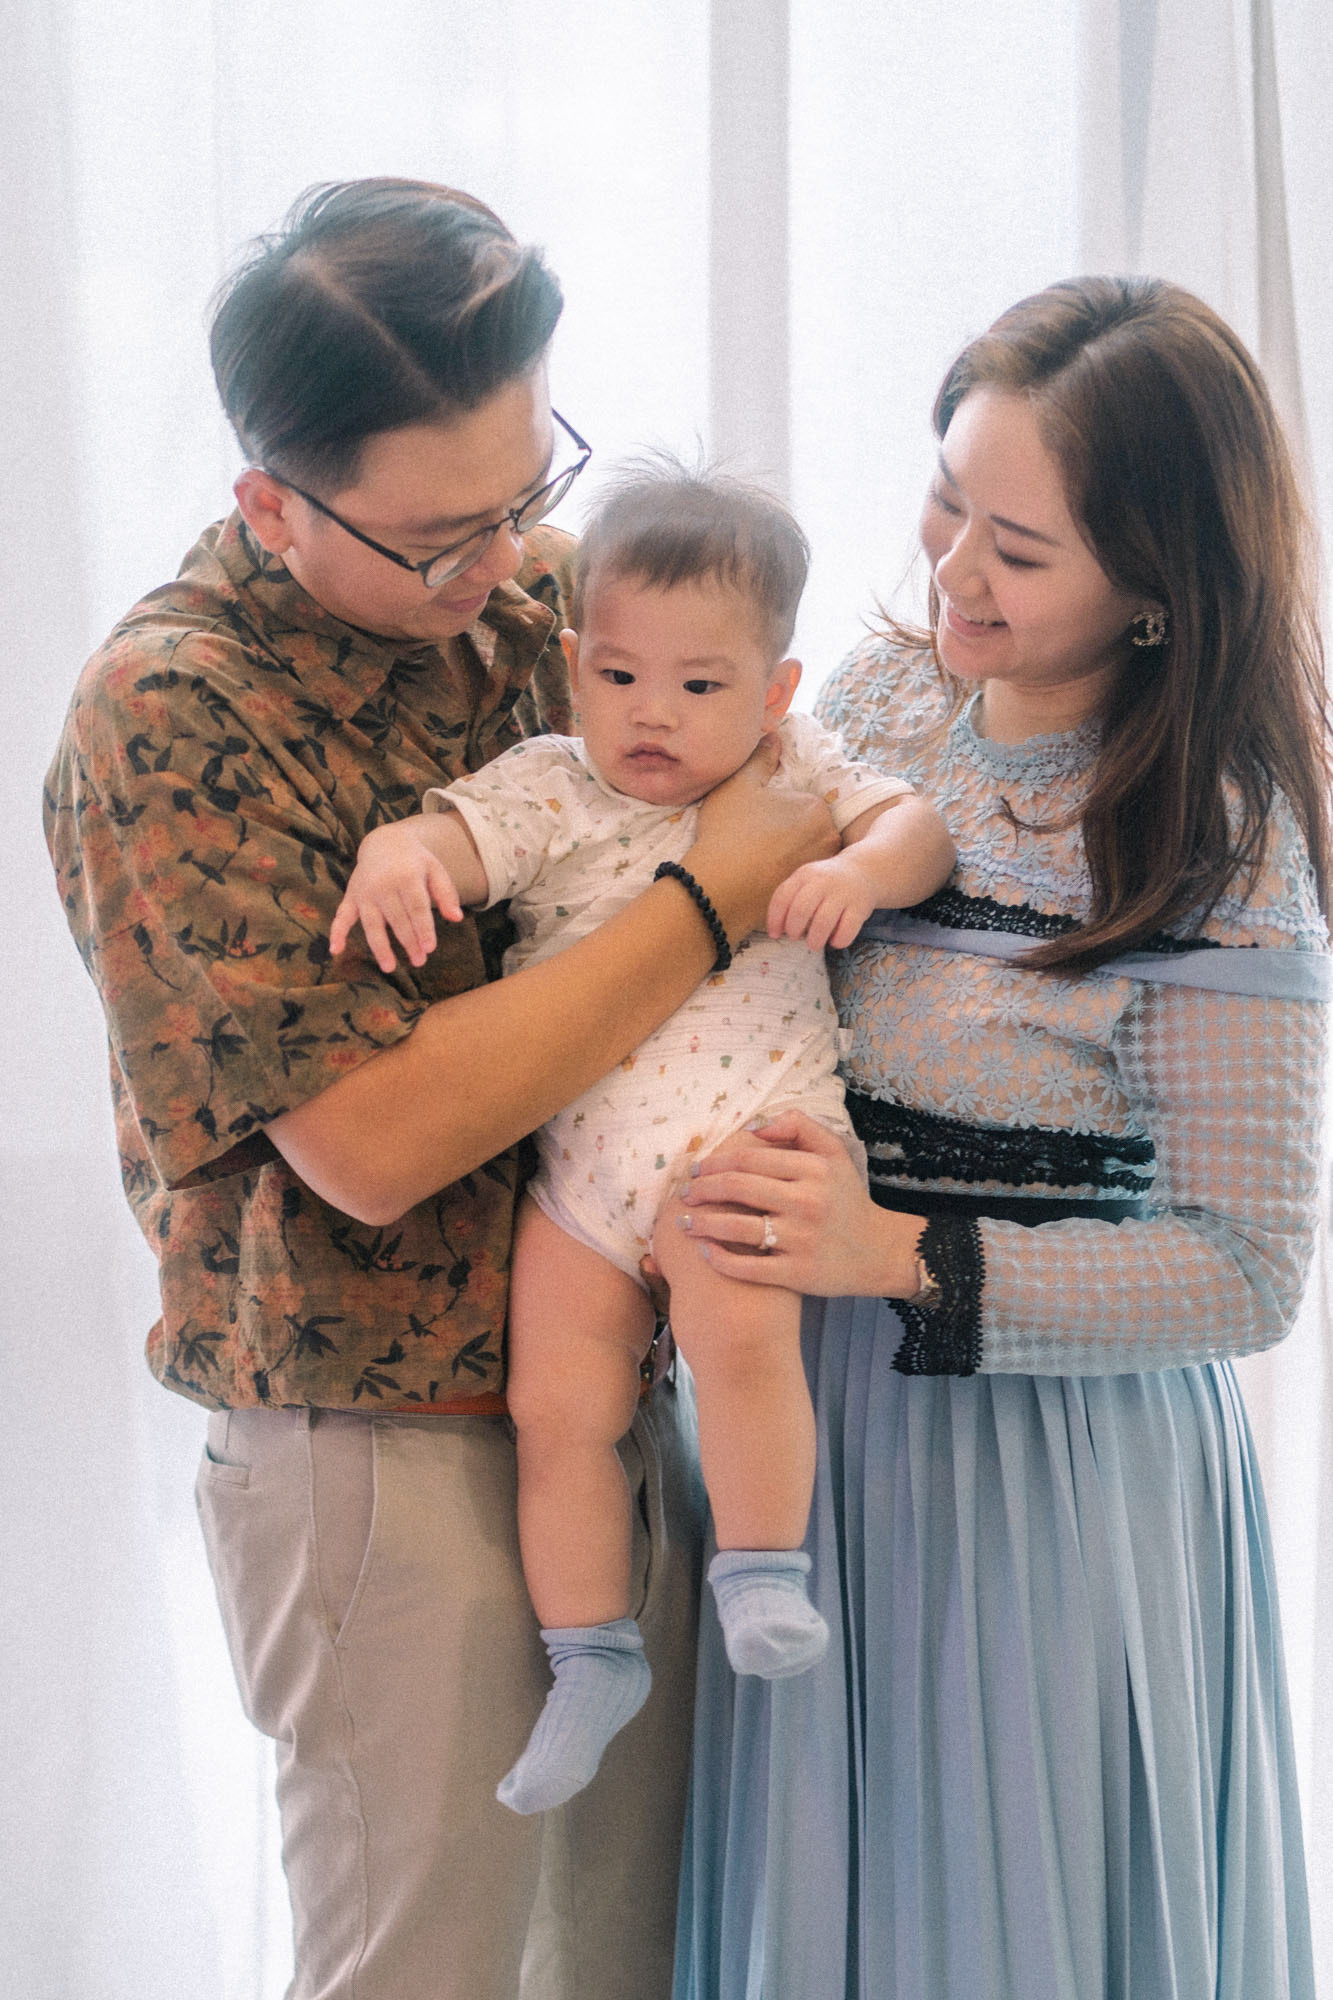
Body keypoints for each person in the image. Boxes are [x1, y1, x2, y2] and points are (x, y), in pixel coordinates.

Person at [42, 178, 841, 2000]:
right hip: (376, 1445)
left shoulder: (544, 595)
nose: (504, 564)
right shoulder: (173, 711)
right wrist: (711, 894)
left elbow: (789, 768)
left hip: (618, 1386)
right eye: (437, 538)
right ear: (271, 501)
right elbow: (374, 1141)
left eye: (525, 492)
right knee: (426, 1973)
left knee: (627, 1964)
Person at [664, 277, 1331, 1999]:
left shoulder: (1218, 834)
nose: (954, 568)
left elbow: (1246, 1271)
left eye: (1017, 550)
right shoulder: (870, 707)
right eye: (945, 499)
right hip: (797, 1428)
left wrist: (891, 1254)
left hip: (1043, 1474)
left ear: (1157, 588)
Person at [329, 461, 957, 1815]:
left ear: (774, 692)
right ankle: (591, 1658)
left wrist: (857, 869)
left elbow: (916, 827)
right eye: (617, 677)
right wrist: (398, 855)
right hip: (584, 1181)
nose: (651, 714)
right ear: (574, 666)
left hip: (743, 1140)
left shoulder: (796, 769)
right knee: (556, 1410)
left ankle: (762, 1572)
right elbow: (457, 839)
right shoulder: (554, 785)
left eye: (698, 684)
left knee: (737, 1338)